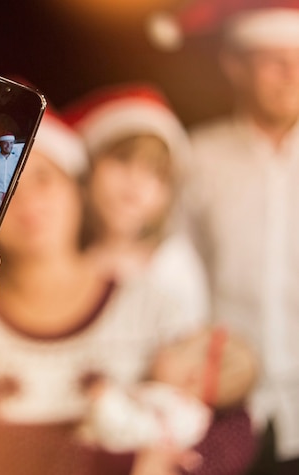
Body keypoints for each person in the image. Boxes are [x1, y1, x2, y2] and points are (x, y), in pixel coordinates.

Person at [0, 105, 208, 475]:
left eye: (44, 178)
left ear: (78, 189)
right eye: (3, 187)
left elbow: (222, 422)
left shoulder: (155, 305)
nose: (28, 200)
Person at [151, 1, 299, 472]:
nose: (291, 76)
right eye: (276, 62)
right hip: (224, 398)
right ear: (236, 66)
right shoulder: (199, 157)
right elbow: (172, 271)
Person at [80, 325, 259, 474]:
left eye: (177, 344)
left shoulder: (177, 410)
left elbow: (133, 427)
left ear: (192, 378)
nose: (164, 347)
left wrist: (105, 398)